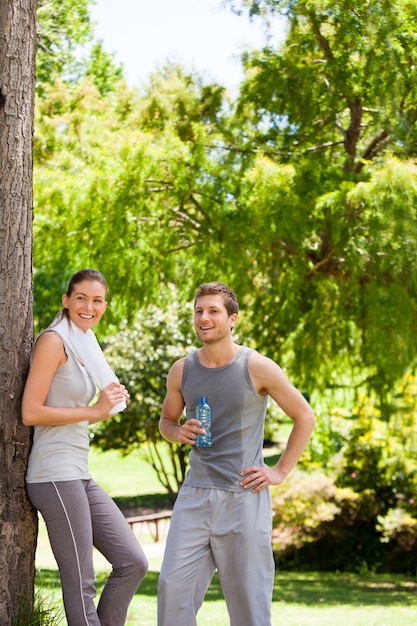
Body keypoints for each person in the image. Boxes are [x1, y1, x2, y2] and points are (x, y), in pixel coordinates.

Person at [157, 281, 316, 626]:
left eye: (213, 311)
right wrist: (178, 433)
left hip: (243, 496)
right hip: (194, 495)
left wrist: (279, 471)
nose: (204, 318)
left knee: (248, 604)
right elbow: (166, 422)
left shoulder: (257, 366)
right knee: (172, 590)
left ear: (232, 320)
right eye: (199, 311)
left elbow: (305, 416)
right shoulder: (182, 369)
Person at [22, 269, 148, 626]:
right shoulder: (54, 341)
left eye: (96, 300)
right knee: (81, 583)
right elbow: (31, 412)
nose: (88, 306)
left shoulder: (84, 344)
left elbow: (70, 416)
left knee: (132, 561)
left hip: (78, 472)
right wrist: (94, 409)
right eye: (81, 298)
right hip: (53, 475)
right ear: (66, 300)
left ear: (104, 306)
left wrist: (101, 413)